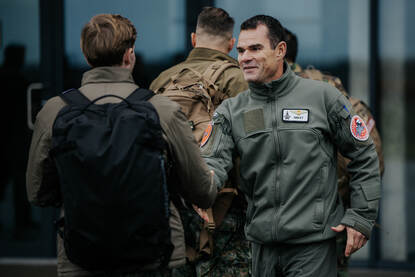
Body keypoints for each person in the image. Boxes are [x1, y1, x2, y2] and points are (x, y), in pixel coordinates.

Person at [26, 14, 217, 277]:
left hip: (81, 255)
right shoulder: (162, 109)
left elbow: (37, 193)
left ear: (86, 56)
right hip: (152, 255)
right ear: (129, 56)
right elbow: (202, 192)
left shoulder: (54, 111)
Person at [201, 15, 381, 277]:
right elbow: (213, 162)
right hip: (262, 247)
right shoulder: (232, 110)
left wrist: (361, 217)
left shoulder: (323, 97)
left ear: (280, 51)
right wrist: (202, 185)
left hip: (312, 247)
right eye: (240, 50)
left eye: (255, 48)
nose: (244, 57)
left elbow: (364, 154)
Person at [150, 7, 250, 277]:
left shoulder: (162, 80)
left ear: (194, 39)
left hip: (171, 207)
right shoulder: (238, 79)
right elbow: (253, 146)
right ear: (231, 44)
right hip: (225, 211)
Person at [284, 27, 385, 277]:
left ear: (279, 51)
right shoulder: (329, 86)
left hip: (292, 217)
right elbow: (368, 154)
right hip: (337, 211)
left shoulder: (281, 92)